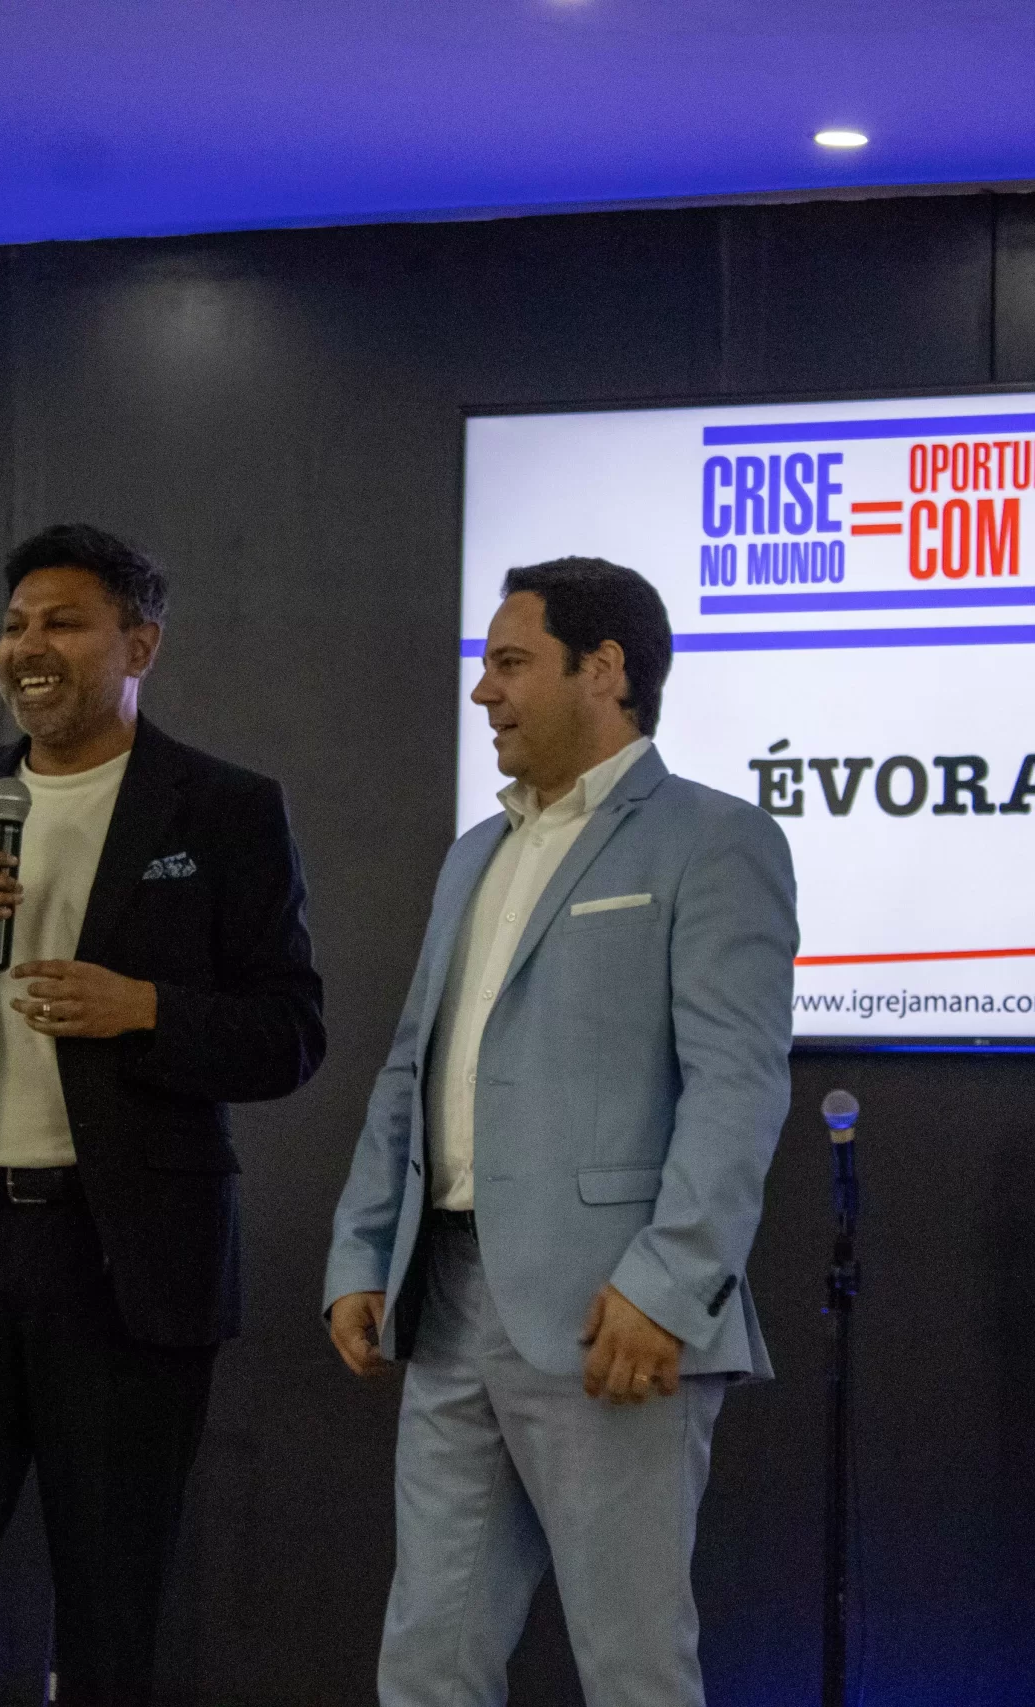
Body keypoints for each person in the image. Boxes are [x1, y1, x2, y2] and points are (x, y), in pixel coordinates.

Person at [0, 524, 326, 1707]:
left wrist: (144, 1008)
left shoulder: (222, 809)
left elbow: (289, 1034)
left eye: (63, 622)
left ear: (138, 645)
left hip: (125, 1261)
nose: (28, 648)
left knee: (113, 1614)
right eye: (14, 625)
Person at [322, 557, 796, 1706]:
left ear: (605, 670)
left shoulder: (714, 839)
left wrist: (667, 1286)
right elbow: (411, 1065)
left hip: (611, 1318)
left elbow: (735, 1084)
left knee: (631, 1668)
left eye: (509, 662)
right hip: (444, 1303)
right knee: (427, 1659)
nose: (482, 691)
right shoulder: (473, 853)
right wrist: (361, 1250)